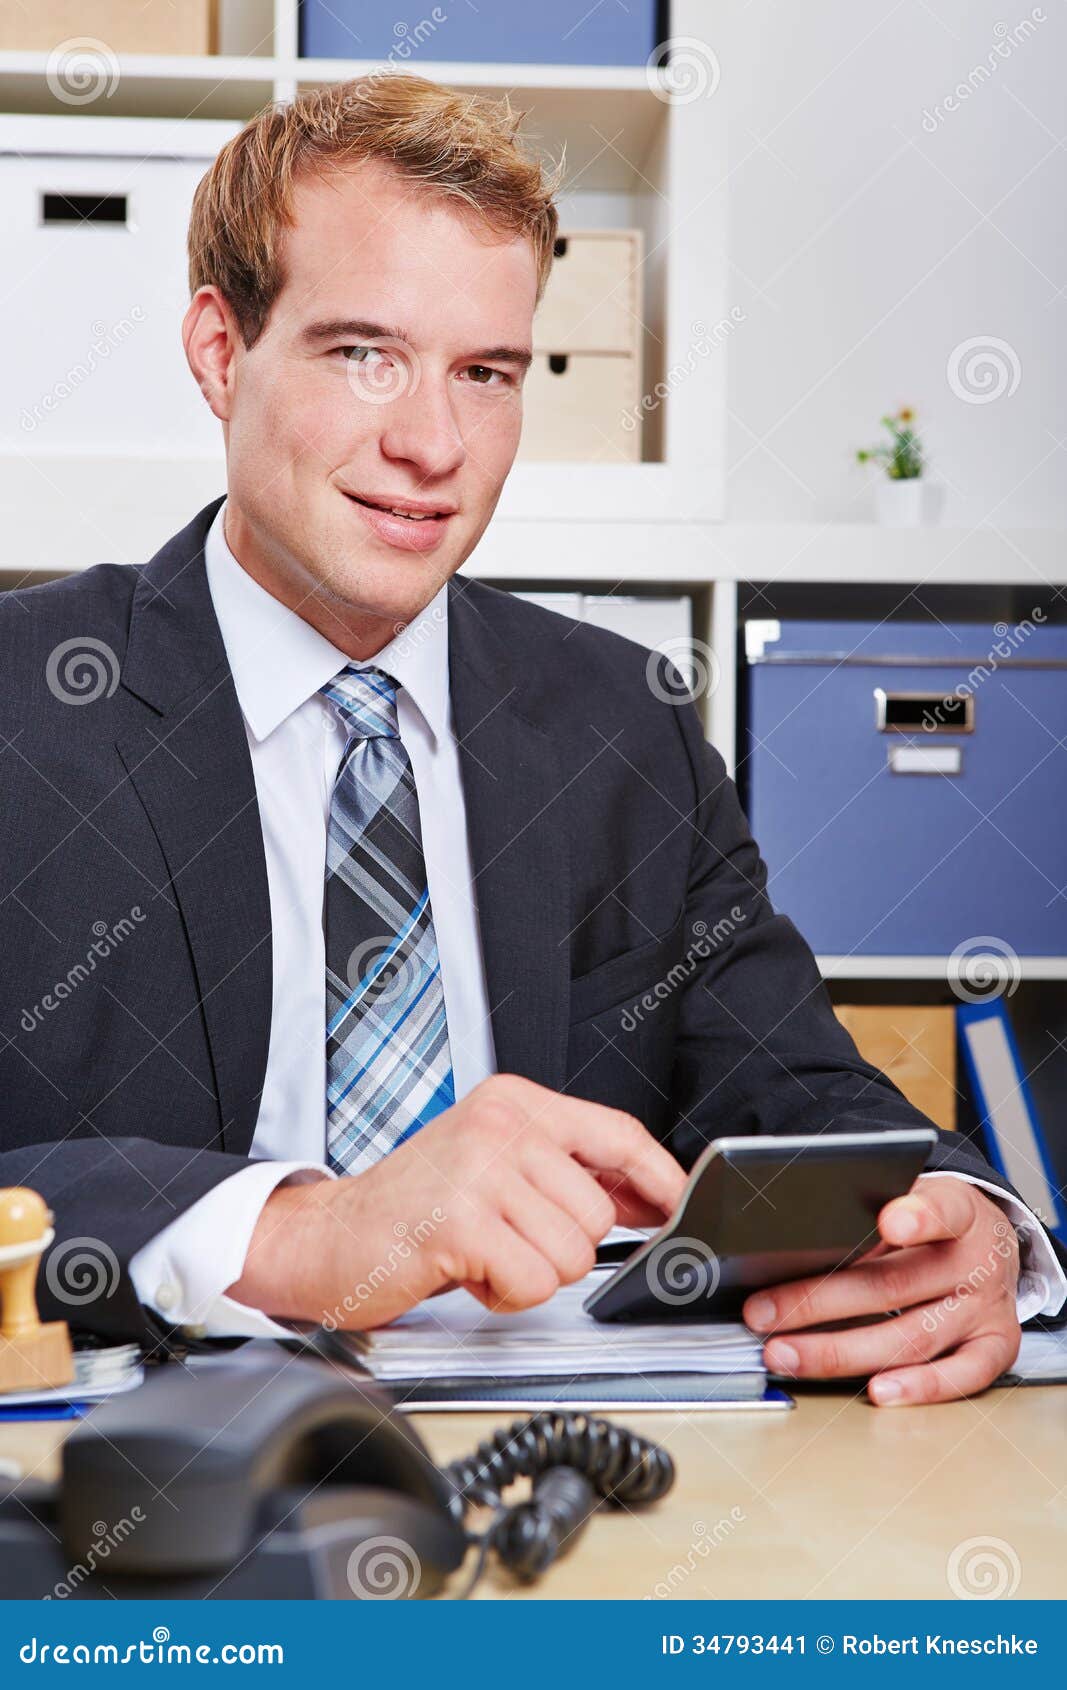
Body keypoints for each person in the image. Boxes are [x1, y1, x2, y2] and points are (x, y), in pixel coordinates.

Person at [1, 76, 1060, 1407]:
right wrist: (297, 1233)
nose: (434, 444)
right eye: (362, 354)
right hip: (139, 1495)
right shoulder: (27, 707)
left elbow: (796, 1082)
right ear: (221, 351)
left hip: (590, 1466)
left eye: (486, 374)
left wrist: (959, 1222)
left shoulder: (623, 724)